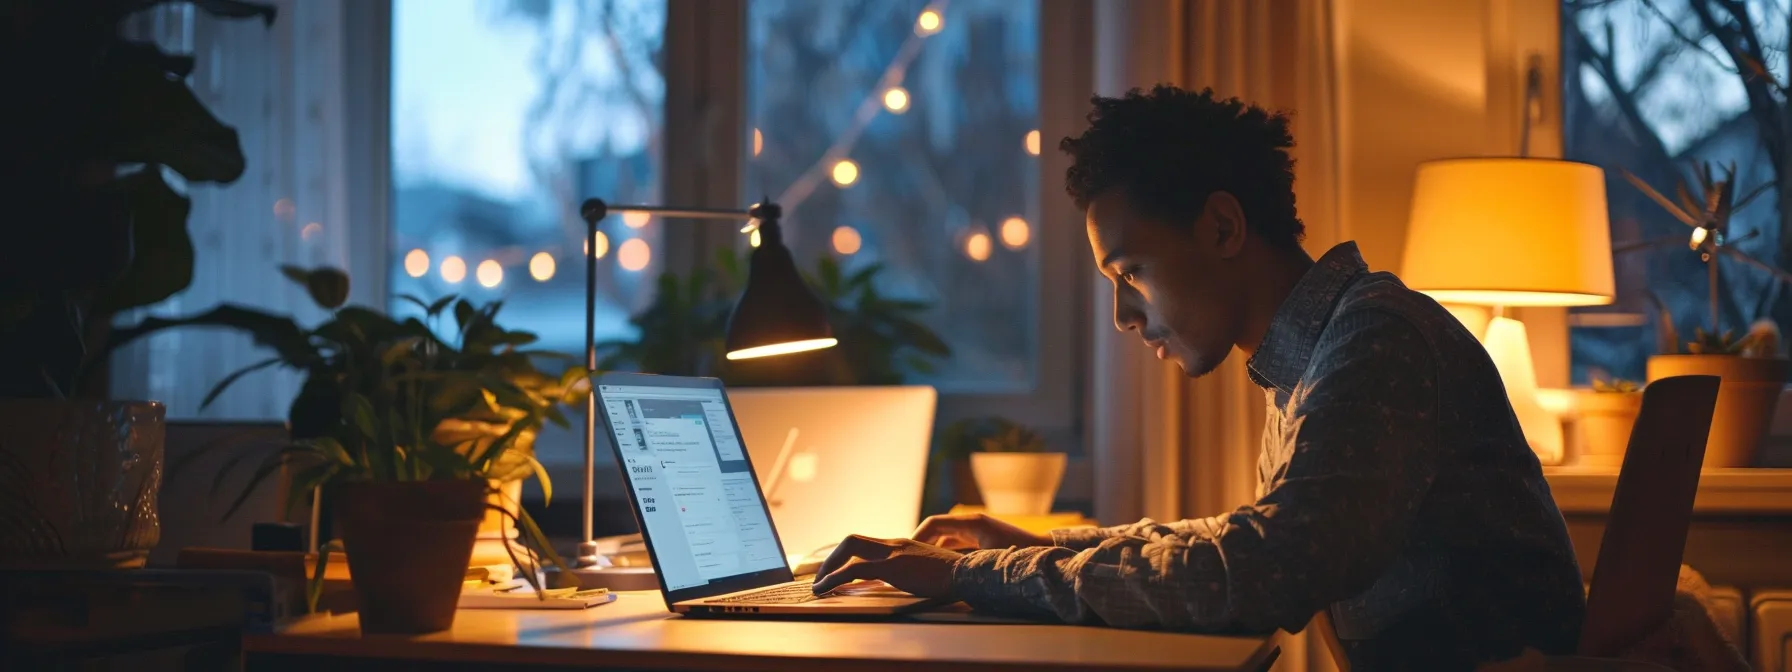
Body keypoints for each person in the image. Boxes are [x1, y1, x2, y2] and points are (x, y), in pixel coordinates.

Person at [810, 85, 1587, 669]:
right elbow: (1244, 539)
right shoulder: (1320, 354)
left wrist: (979, 576)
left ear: (1221, 227)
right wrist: (1024, 549)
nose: (1122, 314)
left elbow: (1258, 570)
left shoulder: (1375, 340)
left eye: (1133, 271)